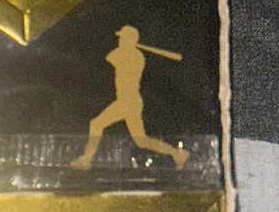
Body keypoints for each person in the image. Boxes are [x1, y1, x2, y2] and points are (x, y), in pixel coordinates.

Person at [69, 25, 189, 170]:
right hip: (129, 100)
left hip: (128, 100)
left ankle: (86, 160)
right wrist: (128, 44)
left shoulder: (133, 56)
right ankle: (176, 153)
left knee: (96, 124)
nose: (120, 40)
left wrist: (126, 45)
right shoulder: (131, 54)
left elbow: (108, 57)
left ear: (130, 40)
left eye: (123, 38)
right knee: (141, 140)